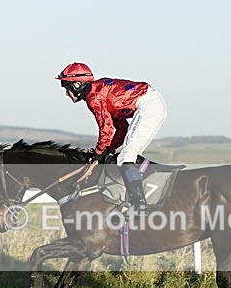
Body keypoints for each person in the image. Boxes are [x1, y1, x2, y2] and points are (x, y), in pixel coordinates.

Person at [56, 62, 167, 213]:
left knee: (126, 157)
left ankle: (139, 205)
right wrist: (110, 148)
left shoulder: (93, 96)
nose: (66, 93)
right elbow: (121, 128)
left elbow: (106, 128)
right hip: (152, 103)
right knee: (125, 155)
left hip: (148, 106)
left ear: (77, 84)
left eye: (66, 87)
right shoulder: (98, 91)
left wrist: (99, 151)